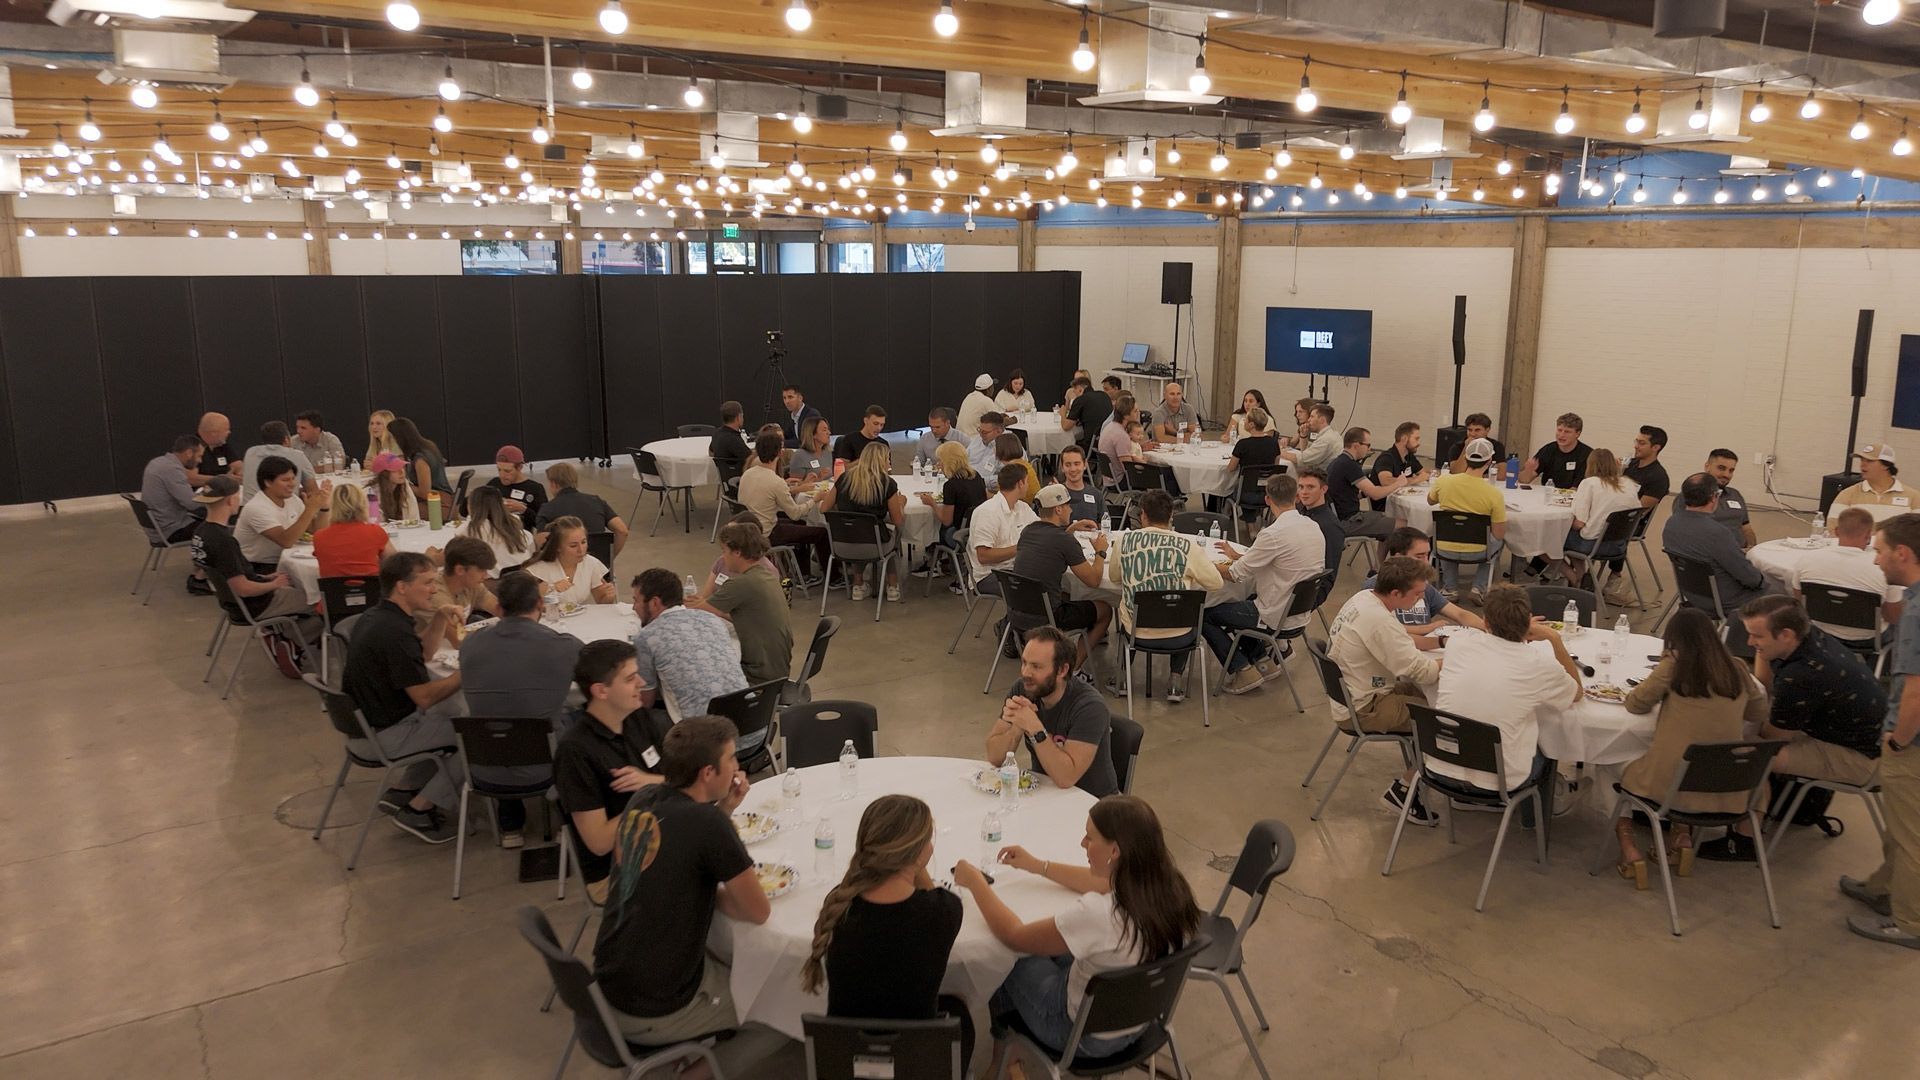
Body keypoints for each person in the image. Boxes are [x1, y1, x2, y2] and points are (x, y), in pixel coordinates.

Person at [591, 716, 788, 1074]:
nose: (737, 767)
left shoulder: (643, 798)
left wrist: (725, 809)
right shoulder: (706, 825)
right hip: (655, 1007)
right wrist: (719, 830)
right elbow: (758, 911)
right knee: (782, 1008)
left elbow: (681, 863)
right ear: (708, 773)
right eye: (730, 759)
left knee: (738, 963)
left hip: (609, 982)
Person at [952, 794, 1199, 1061]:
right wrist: (1038, 866)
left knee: (1007, 958)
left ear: (1114, 851)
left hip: (1079, 1034)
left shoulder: (1100, 914)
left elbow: (1015, 936)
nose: (1082, 843)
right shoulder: (1170, 889)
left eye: (1090, 838)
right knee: (1051, 947)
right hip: (1141, 1020)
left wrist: (975, 882)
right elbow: (1100, 883)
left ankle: (1005, 1060)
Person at [1699, 595, 1886, 862]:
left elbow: (1774, 737)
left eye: (1757, 637)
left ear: (1786, 635)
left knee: (1748, 754)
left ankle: (1744, 840)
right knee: (1745, 734)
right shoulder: (1807, 637)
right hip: (1856, 735)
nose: (1750, 643)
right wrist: (1763, 653)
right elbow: (1765, 683)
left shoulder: (1803, 675)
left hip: (1861, 758)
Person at [803, 795, 973, 1069]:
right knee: (960, 1010)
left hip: (844, 1061)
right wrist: (919, 869)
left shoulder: (839, 905)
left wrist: (912, 862)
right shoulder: (943, 911)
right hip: (917, 1064)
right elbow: (934, 897)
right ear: (919, 854)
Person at [1611, 610, 1768, 888]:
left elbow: (1636, 703)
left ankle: (1628, 849)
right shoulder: (1737, 668)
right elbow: (1758, 713)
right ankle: (1680, 838)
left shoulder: (1674, 666)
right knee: (1684, 760)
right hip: (1725, 786)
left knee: (1611, 761)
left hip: (1671, 786)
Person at [341, 552, 468, 845]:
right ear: (402, 586)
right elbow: (424, 697)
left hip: (362, 727)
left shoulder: (378, 616)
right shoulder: (393, 631)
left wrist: (438, 619)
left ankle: (406, 788)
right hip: (384, 734)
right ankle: (419, 809)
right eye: (427, 583)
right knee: (473, 735)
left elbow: (421, 656)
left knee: (447, 717)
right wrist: (469, 670)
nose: (435, 590)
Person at [1429, 585, 1582, 813]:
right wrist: (1554, 638)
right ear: (1529, 620)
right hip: (1500, 780)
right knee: (1544, 742)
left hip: (1440, 765)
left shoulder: (1460, 643)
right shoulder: (1538, 664)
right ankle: (1538, 813)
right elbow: (1576, 693)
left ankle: (1470, 799)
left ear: (1486, 621)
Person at [460, 573, 586, 847]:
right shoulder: (563, 645)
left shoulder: (470, 644)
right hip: (544, 767)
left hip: (481, 768)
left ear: (498, 608)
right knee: (580, 718)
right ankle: (571, 818)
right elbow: (594, 678)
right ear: (540, 603)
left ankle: (510, 824)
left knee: (501, 719)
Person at [1842, 513, 1920, 949]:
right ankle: (1882, 887)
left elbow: (1916, 691)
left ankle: (1910, 922)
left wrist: (1899, 739)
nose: (1875, 559)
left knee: (1911, 836)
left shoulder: (1916, 609)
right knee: (1902, 824)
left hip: (1913, 741)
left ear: (1903, 554)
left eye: (1880, 549)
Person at [1327, 556, 1446, 825]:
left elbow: (1402, 646)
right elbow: (1421, 670)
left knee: (1426, 696)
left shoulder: (1364, 599)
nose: (1420, 600)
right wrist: (1452, 658)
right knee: (1447, 720)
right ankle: (1404, 790)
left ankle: (1421, 773)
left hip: (1354, 692)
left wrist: (1435, 644)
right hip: (1366, 706)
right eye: (1417, 594)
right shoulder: (1379, 621)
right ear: (1395, 593)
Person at [553, 639, 665, 902]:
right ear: (601, 691)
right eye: (630, 678)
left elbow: (678, 779)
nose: (641, 683)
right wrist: (652, 792)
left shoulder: (637, 717)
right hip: (614, 872)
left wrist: (652, 782)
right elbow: (599, 841)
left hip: (660, 835)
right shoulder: (575, 752)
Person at [1207, 473, 1325, 694]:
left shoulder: (1272, 534)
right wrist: (1240, 557)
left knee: (1207, 614)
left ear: (1267, 499)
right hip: (1299, 612)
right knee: (1241, 603)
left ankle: (1242, 670)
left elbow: (1234, 575)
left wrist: (1203, 565)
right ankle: (1263, 661)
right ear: (1297, 497)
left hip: (1274, 615)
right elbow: (1278, 562)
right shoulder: (1312, 526)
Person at [190, 476, 322, 670]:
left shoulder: (201, 533)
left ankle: (282, 633)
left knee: (298, 586)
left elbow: (228, 575)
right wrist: (273, 585)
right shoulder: (224, 541)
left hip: (231, 602)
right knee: (322, 603)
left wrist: (264, 578)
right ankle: (292, 641)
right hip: (255, 603)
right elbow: (243, 588)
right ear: (231, 500)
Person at [1108, 489, 1222, 703]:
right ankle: (1175, 679)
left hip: (1136, 633)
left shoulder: (1124, 541)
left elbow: (1115, 577)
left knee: (1127, 609)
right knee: (1188, 612)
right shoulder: (1189, 546)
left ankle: (1122, 677)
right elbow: (1216, 582)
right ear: (1171, 516)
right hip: (1180, 635)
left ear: (1142, 514)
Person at [984, 628, 1118, 796]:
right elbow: (995, 758)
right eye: (1024, 662)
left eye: (1036, 666)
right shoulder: (1023, 688)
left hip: (1092, 804)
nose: (1026, 673)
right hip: (1046, 794)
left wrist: (1034, 727)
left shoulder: (1089, 707)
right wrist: (1017, 727)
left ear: (1062, 670)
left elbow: (1066, 778)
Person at [1011, 485, 1112, 673]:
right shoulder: (1065, 541)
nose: (1071, 509)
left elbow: (1051, 545)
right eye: (1067, 505)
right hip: (1048, 617)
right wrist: (1101, 550)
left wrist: (1071, 528)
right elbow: (1093, 580)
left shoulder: (1027, 532)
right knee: (1105, 610)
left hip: (1018, 613)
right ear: (1058, 509)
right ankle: (1073, 670)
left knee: (1067, 592)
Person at [630, 568, 749, 722]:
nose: (634, 607)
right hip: (752, 726)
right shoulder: (711, 619)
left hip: (705, 738)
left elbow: (645, 701)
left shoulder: (646, 638)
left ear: (654, 603)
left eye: (636, 600)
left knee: (634, 720)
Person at [689, 521, 793, 689]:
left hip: (759, 674)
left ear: (737, 552)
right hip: (777, 666)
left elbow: (697, 610)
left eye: (724, 551)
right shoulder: (765, 575)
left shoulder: (742, 584)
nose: (723, 557)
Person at [1663, 473, 1769, 617]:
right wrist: (1762, 580)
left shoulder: (1671, 524)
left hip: (1692, 594)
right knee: (1779, 593)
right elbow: (1749, 578)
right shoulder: (1717, 533)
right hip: (1725, 601)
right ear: (1714, 497)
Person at [1794, 506, 1904, 641]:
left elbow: (1799, 601)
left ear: (1836, 531)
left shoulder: (1806, 559)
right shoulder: (1885, 568)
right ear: (1869, 535)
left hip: (1819, 633)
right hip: (1869, 639)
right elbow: (1893, 617)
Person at [1363, 528, 1487, 645]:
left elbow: (1459, 614)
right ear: (1398, 558)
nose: (1426, 562)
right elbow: (1385, 630)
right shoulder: (1375, 586)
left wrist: (1488, 627)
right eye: (1419, 556)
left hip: (1426, 649)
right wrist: (1428, 629)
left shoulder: (1423, 586)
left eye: (1427, 555)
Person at [818, 442, 906, 603]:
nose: (889, 462)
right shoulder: (887, 483)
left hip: (842, 543)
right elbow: (898, 519)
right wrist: (901, 503)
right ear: (880, 460)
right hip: (875, 545)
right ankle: (892, 586)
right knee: (893, 534)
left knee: (859, 531)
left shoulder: (844, 478)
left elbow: (824, 508)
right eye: (887, 459)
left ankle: (857, 585)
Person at [740, 432, 830, 581]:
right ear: (780, 453)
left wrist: (795, 486)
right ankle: (833, 577)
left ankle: (804, 574)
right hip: (768, 532)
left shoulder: (748, 474)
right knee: (821, 533)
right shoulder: (775, 481)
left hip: (751, 526)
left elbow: (767, 492)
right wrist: (815, 499)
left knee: (800, 526)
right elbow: (795, 513)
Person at [1426, 438, 1507, 600]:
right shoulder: (1494, 494)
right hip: (1478, 552)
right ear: (1489, 461)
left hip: (1443, 548)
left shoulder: (1444, 481)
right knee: (1498, 541)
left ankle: (1450, 588)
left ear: (1465, 458)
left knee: (1448, 533)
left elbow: (1430, 500)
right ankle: (1479, 588)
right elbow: (1499, 533)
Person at [1558, 448, 1642, 588]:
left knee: (1547, 540)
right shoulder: (1629, 483)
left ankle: (1574, 577)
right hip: (1619, 545)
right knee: (1574, 537)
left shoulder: (1589, 483)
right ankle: (1581, 574)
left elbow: (1579, 524)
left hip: (1592, 545)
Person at [235, 455, 329, 570]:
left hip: (286, 560)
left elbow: (315, 530)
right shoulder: (257, 507)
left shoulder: (292, 499)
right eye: (285, 480)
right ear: (268, 482)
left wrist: (324, 507)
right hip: (258, 567)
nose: (292, 484)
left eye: (293, 478)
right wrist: (310, 509)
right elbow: (286, 541)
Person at [413, 537, 499, 654]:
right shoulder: (435, 594)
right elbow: (459, 640)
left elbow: (498, 608)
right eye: (481, 570)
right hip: (424, 657)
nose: (486, 576)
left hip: (449, 650)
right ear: (460, 570)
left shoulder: (472, 584)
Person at [969, 464, 1038, 597]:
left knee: (1051, 576)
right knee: (1035, 591)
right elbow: (983, 556)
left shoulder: (1022, 507)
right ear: (1021, 483)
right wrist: (1021, 548)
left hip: (1017, 568)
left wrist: (1069, 530)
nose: (1028, 486)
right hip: (990, 575)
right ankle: (1014, 618)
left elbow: (1041, 531)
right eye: (1027, 481)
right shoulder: (988, 512)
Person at [536, 461, 629, 557]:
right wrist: (609, 558)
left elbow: (542, 541)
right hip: (598, 564)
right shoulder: (596, 501)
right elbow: (622, 531)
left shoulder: (547, 509)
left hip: (565, 564)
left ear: (553, 484)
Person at [1325, 427, 1400, 546]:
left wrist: (1364, 493)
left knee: (1386, 518)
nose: (1369, 449)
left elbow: (1343, 494)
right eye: (1367, 445)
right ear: (1356, 445)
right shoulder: (1350, 465)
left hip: (1338, 518)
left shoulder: (1336, 462)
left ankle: (1380, 563)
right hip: (1350, 521)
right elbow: (1376, 494)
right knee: (1403, 524)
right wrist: (1398, 483)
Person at [522, 515, 616, 607]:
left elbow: (601, 601)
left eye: (583, 542)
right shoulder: (537, 571)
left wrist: (608, 596)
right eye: (573, 546)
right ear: (558, 547)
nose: (581, 550)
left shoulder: (591, 563)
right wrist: (552, 590)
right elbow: (526, 607)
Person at [313, 483, 396, 580]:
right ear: (363, 504)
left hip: (335, 593)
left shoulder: (319, 536)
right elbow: (393, 563)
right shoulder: (375, 531)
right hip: (372, 591)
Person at [142, 434, 207, 552]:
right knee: (219, 530)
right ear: (189, 453)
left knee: (209, 524)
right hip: (171, 529)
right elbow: (191, 504)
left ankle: (201, 566)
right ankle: (207, 567)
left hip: (156, 527)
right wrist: (213, 496)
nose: (200, 461)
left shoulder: (157, 462)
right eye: (199, 456)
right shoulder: (172, 469)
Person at [923, 441, 988, 559]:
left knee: (935, 529)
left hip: (959, 534)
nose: (939, 465)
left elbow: (946, 520)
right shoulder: (976, 476)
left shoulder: (951, 485)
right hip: (979, 528)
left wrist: (932, 503)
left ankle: (936, 560)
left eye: (940, 462)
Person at [456, 485, 533, 575]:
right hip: (522, 576)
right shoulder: (514, 524)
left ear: (472, 506)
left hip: (493, 581)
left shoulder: (468, 530)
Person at [387, 417, 453, 519]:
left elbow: (424, 492)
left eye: (391, 438)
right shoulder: (428, 446)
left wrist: (406, 485)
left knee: (398, 513)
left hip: (440, 503)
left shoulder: (420, 460)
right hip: (441, 498)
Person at [241, 420, 318, 499]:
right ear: (286, 439)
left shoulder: (250, 452)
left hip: (248, 508)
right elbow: (312, 491)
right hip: (284, 509)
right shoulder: (297, 455)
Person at [477, 445, 546, 530]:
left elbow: (543, 524)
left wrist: (524, 510)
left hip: (521, 537)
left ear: (520, 467)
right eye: (499, 470)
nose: (502, 475)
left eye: (507, 471)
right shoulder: (494, 484)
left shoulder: (535, 489)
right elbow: (466, 511)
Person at [1832, 443, 1912, 513]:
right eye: (1862, 460)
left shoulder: (1913, 497)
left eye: (1869, 461)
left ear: (1886, 465)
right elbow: (1834, 527)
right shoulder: (1846, 495)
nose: (1862, 465)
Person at [1519, 412, 1591, 488]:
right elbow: (1524, 480)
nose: (1561, 435)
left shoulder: (1587, 455)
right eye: (1559, 430)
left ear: (1577, 434)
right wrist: (1528, 471)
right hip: (1548, 494)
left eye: (1567, 432)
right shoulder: (1548, 450)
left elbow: (1579, 488)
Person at [1703, 448, 1757, 550]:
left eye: (1731, 470)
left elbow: (1747, 528)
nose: (1726, 475)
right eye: (1721, 468)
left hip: (1741, 552)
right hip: (1715, 556)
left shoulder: (1735, 495)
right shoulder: (1691, 495)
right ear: (1707, 467)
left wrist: (1752, 547)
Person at [1293, 467, 1344, 572]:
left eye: (1310, 487)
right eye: (1301, 487)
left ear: (1324, 489)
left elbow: (1329, 570)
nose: (1304, 492)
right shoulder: (1298, 511)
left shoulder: (1330, 526)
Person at [1370, 422, 1430, 512]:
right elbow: (1386, 481)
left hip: (1404, 501)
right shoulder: (1386, 458)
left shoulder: (1409, 456)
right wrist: (1416, 479)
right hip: (1387, 506)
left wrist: (1434, 473)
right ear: (1404, 439)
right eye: (1416, 439)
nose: (1419, 443)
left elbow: (1423, 473)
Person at [1055, 445, 1106, 526]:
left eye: (1077, 464)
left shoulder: (1096, 495)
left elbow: (1104, 525)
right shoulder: (1055, 494)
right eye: (1068, 465)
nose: (1073, 469)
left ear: (1085, 464)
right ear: (1062, 467)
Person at [1097, 396, 1143, 483]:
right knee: (1162, 475)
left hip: (1108, 477)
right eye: (1135, 411)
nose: (1138, 413)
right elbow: (1128, 467)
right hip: (1120, 479)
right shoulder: (1121, 435)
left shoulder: (1111, 426)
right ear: (1126, 415)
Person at [1059, 376, 1111, 451]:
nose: (1074, 393)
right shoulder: (1104, 396)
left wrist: (1063, 413)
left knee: (1069, 446)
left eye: (1074, 390)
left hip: (1091, 445)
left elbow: (1066, 426)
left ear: (1080, 389)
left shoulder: (1080, 400)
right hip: (1107, 442)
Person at [1283, 403, 1339, 472]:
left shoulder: (1326, 440)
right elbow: (1307, 452)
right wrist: (1303, 436)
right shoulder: (1331, 434)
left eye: (1312, 417)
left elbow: (1303, 459)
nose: (1309, 420)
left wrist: (1278, 452)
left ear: (1322, 420)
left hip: (1324, 478)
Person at [189, 412, 241, 485]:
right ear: (214, 432)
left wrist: (240, 473)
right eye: (226, 429)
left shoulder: (222, 444)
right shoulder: (191, 446)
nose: (229, 432)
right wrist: (222, 479)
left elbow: (238, 466)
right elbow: (191, 478)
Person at [1227, 408, 1281, 476]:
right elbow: (1276, 466)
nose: (1244, 421)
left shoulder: (1242, 444)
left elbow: (1231, 468)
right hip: (1267, 484)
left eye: (1245, 419)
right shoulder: (1274, 443)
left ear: (1251, 424)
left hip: (1247, 484)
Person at [1455, 413, 1507, 480]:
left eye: (1477, 430)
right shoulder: (1458, 447)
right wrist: (1466, 448)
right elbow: (1455, 473)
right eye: (1469, 430)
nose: (1472, 434)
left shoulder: (1497, 446)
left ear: (1487, 430)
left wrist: (1475, 476)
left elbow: (1501, 474)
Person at [710, 400, 753, 479]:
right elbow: (752, 459)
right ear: (738, 417)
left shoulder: (717, 433)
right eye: (742, 415)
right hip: (742, 480)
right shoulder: (734, 440)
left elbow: (711, 452)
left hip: (726, 482)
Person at [995, 433, 1042, 504]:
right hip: (1033, 504)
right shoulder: (1024, 464)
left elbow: (1004, 499)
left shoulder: (1009, 472)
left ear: (1000, 450)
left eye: (995, 446)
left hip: (1021, 506)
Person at [788, 417, 835, 481]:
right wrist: (818, 479)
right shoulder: (800, 456)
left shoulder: (828, 452)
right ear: (813, 434)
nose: (829, 433)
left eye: (828, 429)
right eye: (824, 430)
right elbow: (794, 486)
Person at [969, 411, 1008, 481]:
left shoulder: (1009, 446)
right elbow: (965, 460)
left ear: (998, 431)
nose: (980, 434)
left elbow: (1010, 477)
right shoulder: (977, 440)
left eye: (984, 432)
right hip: (967, 478)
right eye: (979, 430)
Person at [780, 384, 822, 449]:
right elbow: (788, 435)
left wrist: (781, 443)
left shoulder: (812, 415)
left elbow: (807, 441)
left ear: (800, 398)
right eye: (784, 398)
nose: (787, 401)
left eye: (790, 397)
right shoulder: (793, 416)